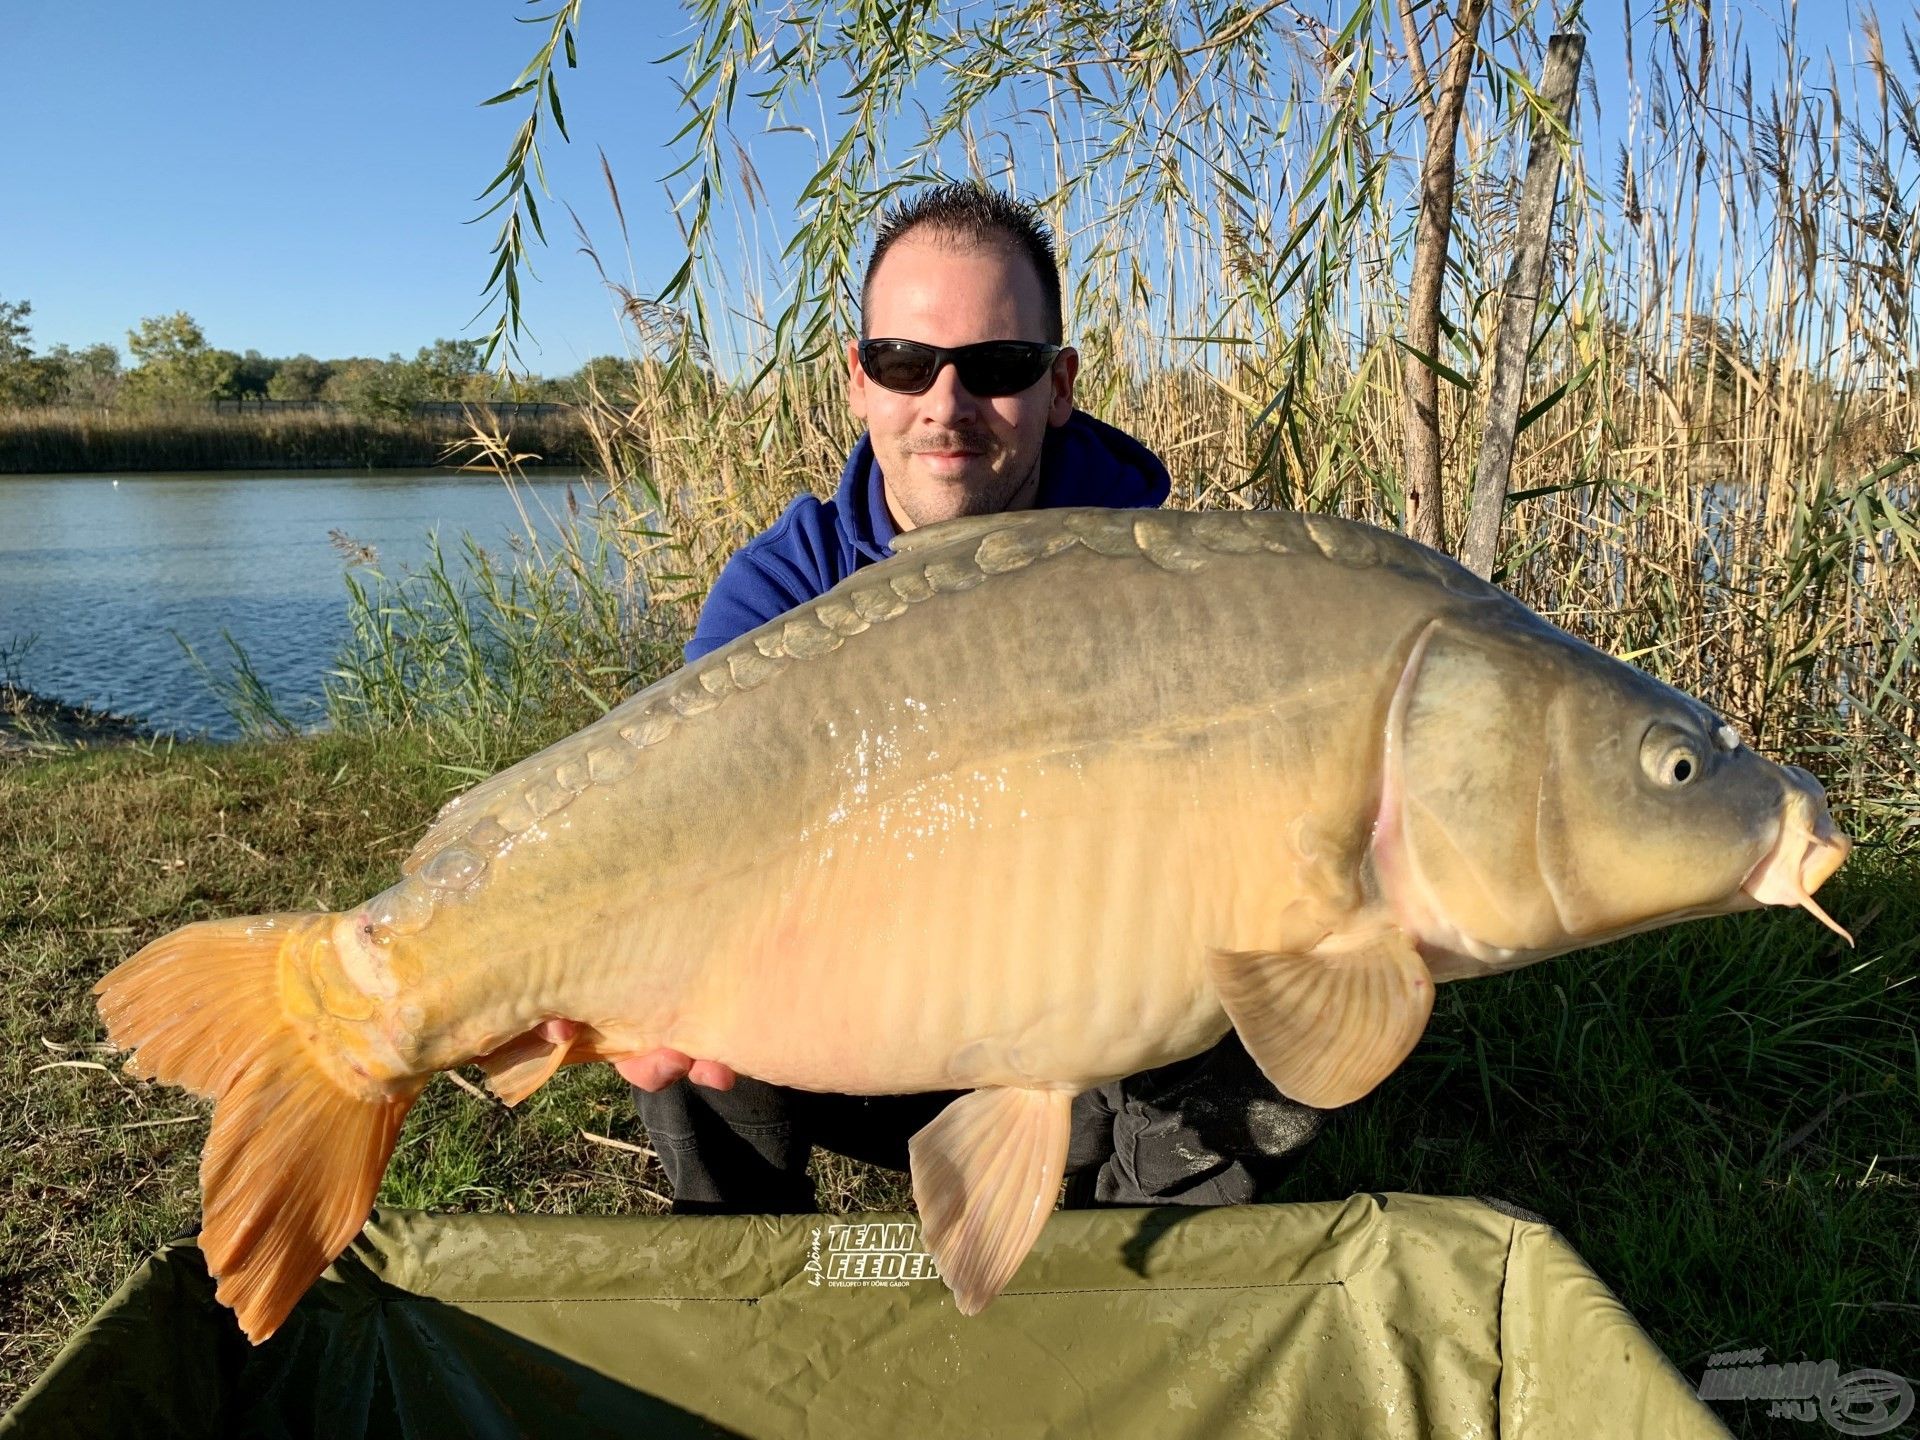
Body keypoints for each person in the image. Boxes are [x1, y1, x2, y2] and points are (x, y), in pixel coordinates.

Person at [617, 182, 1324, 1213]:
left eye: (996, 369)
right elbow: (686, 825)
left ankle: (1137, 1255)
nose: (946, 406)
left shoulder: (1169, 586)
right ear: (857, 381)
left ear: (1060, 384)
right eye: (906, 363)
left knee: (1304, 987)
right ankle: (743, 1266)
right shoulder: (779, 591)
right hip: (855, 1022)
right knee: (670, 981)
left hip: (1102, 1037)